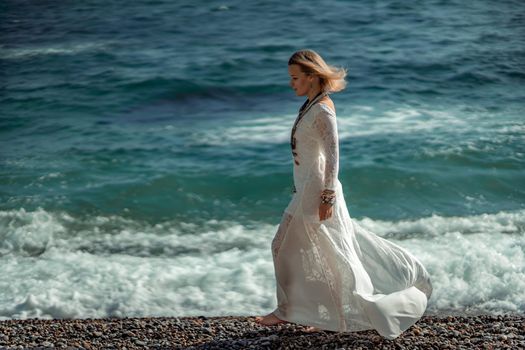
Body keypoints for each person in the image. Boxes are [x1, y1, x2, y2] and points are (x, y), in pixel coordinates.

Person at [254, 49, 433, 340]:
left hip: (318, 193)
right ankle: (322, 315)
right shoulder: (310, 104)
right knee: (325, 254)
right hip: (307, 190)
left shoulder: (323, 109)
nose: (291, 83)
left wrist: (326, 197)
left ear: (312, 77)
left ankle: (289, 311)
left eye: (296, 78)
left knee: (291, 248)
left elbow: (333, 156)